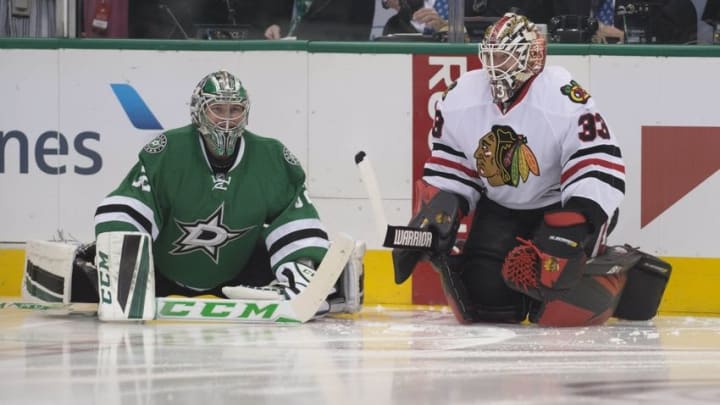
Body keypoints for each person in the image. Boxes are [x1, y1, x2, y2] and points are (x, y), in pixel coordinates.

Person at [389, 13, 671, 327]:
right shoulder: (459, 95)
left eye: (505, 58)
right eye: (491, 56)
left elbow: (598, 162)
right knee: (485, 304)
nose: (495, 67)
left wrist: (572, 226)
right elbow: (452, 163)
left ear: (531, 60)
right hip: (502, 205)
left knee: (556, 309)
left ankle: (615, 273)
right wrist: (439, 211)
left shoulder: (562, 96)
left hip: (561, 206)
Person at [86, 69, 363, 317]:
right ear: (199, 111)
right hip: (160, 274)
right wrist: (122, 269)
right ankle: (90, 270)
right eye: (218, 109)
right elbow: (124, 208)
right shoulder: (170, 151)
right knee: (85, 281)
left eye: (235, 110)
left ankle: (312, 283)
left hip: (236, 273)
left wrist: (302, 276)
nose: (227, 121)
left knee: (305, 260)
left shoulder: (271, 158)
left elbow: (298, 219)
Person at [262, 0, 375, 40]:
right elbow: (275, 18)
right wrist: (274, 25)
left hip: (326, 68)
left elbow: (358, 38)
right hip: (278, 61)